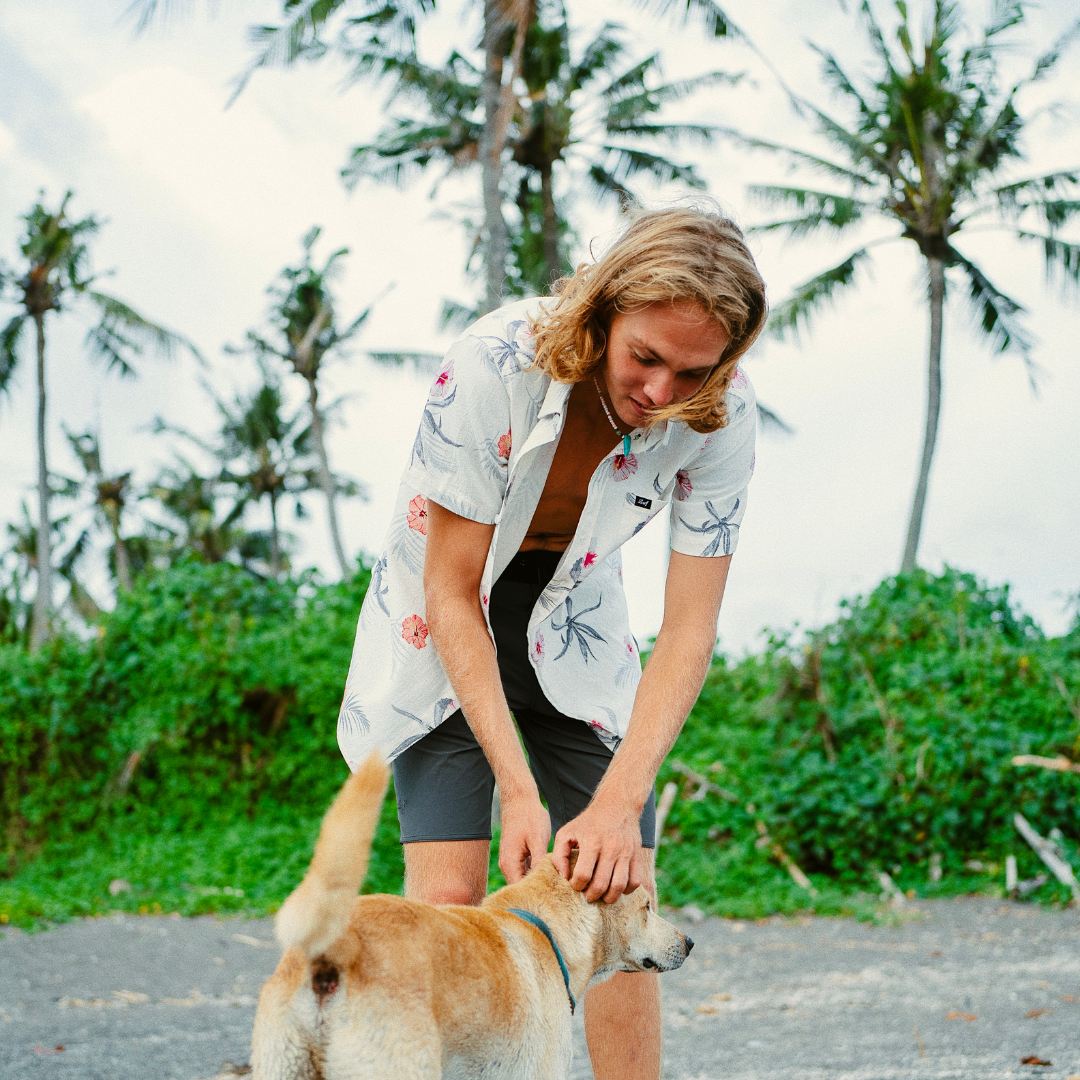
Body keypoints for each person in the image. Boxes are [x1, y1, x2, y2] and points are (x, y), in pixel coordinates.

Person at [337, 203, 767, 1078]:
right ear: (605, 311)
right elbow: (453, 594)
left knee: (618, 890)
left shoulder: (722, 415)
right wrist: (517, 788)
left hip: (576, 622)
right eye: (645, 358)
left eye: (692, 371)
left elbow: (689, 629)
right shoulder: (493, 363)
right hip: (443, 619)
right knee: (452, 902)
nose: (660, 393)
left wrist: (618, 801)